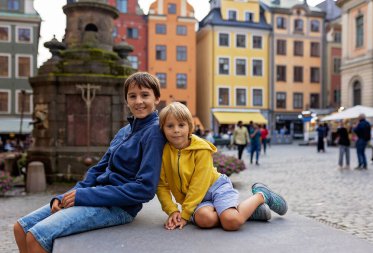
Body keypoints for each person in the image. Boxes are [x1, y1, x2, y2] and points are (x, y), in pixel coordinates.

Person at [13, 72, 166, 253]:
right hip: (95, 197)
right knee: (20, 228)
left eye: (145, 95)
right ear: (126, 100)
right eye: (132, 96)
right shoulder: (125, 131)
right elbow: (98, 169)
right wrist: (66, 196)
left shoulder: (154, 132)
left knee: (37, 236)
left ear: (157, 98)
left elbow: (145, 189)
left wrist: (84, 196)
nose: (138, 101)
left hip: (118, 207)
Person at [157, 102, 287, 231]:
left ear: (189, 127)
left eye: (181, 125)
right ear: (162, 129)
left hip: (216, 187)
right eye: (170, 126)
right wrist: (172, 211)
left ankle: (261, 195)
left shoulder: (201, 149)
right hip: (197, 200)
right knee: (205, 220)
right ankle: (248, 212)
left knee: (231, 222)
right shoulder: (163, 153)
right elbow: (161, 185)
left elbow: (199, 184)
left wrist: (185, 215)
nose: (176, 130)